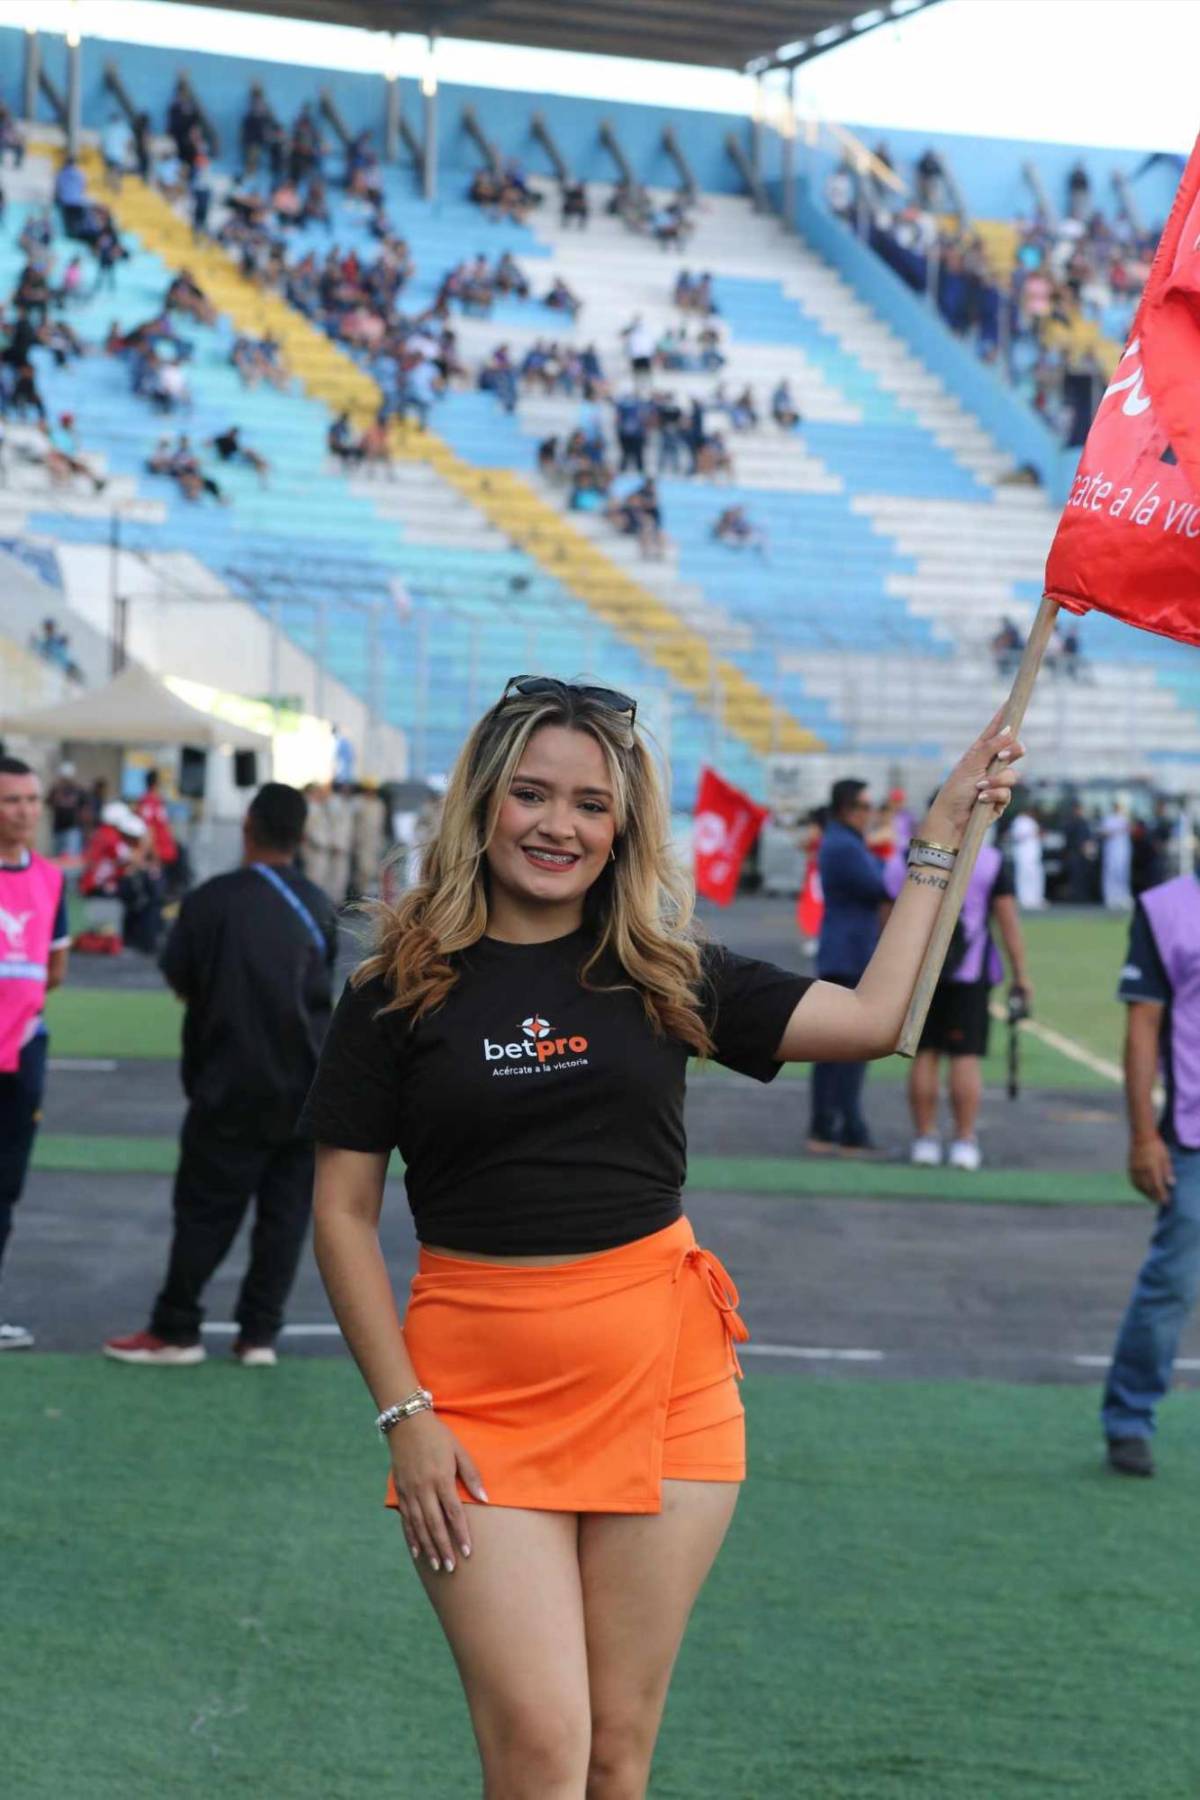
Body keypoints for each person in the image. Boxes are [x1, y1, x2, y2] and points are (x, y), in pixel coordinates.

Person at [296, 677, 1020, 1796]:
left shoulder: (663, 968)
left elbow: (878, 1022)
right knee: (540, 1753)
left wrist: (940, 837)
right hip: (474, 1405)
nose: (559, 825)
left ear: (623, 825)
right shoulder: (393, 987)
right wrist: (405, 1416)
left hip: (668, 1380)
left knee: (615, 1758)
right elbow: (341, 1215)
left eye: (591, 804)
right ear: (482, 803)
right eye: (531, 795)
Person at [103, 784, 337, 1367]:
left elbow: (178, 974)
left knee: (205, 1210)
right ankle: (259, 1335)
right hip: (308, 1086)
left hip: (228, 1082)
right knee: (283, 1219)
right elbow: (322, 984)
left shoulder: (210, 900)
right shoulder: (317, 902)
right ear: (302, 833)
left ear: (248, 826)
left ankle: (176, 1327)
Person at [1101, 865, 1200, 1476]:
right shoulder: (1166, 909)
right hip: (1191, 1133)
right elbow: (1143, 1029)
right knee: (1172, 1285)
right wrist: (1143, 1135)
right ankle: (1130, 1418)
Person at [901, 828, 1031, 1169]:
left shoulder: (914, 855)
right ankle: (964, 1139)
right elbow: (1007, 922)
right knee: (965, 1056)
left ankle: (925, 1138)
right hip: (969, 973)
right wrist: (1021, 976)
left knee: (925, 1053)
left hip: (921, 971)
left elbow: (891, 916)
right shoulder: (989, 861)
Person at [0, 756, 70, 1350]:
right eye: (11, 800)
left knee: (5, 1186)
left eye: (30, 800)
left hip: (24, 1050)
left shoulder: (50, 878)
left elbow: (55, 968)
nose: (23, 812)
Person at [808, 778, 888, 1154]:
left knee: (832, 1049)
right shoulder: (844, 846)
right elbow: (881, 885)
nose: (870, 815)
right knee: (852, 1048)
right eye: (864, 807)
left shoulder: (842, 842)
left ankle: (826, 1125)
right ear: (846, 809)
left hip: (843, 951)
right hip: (850, 953)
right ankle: (848, 1127)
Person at [1008, 808, 1045, 910]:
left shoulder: (1032, 822)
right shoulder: (1019, 821)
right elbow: (1017, 836)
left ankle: (1035, 899)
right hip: (1023, 855)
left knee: (1035, 877)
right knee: (1023, 877)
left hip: (1034, 855)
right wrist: (1031, 833)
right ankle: (1024, 899)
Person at [46, 761, 85, 857]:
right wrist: (56, 791)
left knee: (70, 858)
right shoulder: (56, 789)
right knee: (58, 858)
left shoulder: (78, 790)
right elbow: (48, 802)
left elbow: (85, 808)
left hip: (73, 828)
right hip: (58, 828)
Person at [1101, 802, 1133, 910]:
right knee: (1111, 874)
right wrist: (1117, 831)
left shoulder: (1124, 819)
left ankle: (1123, 897)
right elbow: (1105, 833)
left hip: (1123, 852)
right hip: (1111, 852)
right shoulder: (1108, 819)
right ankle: (1111, 898)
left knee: (1123, 874)